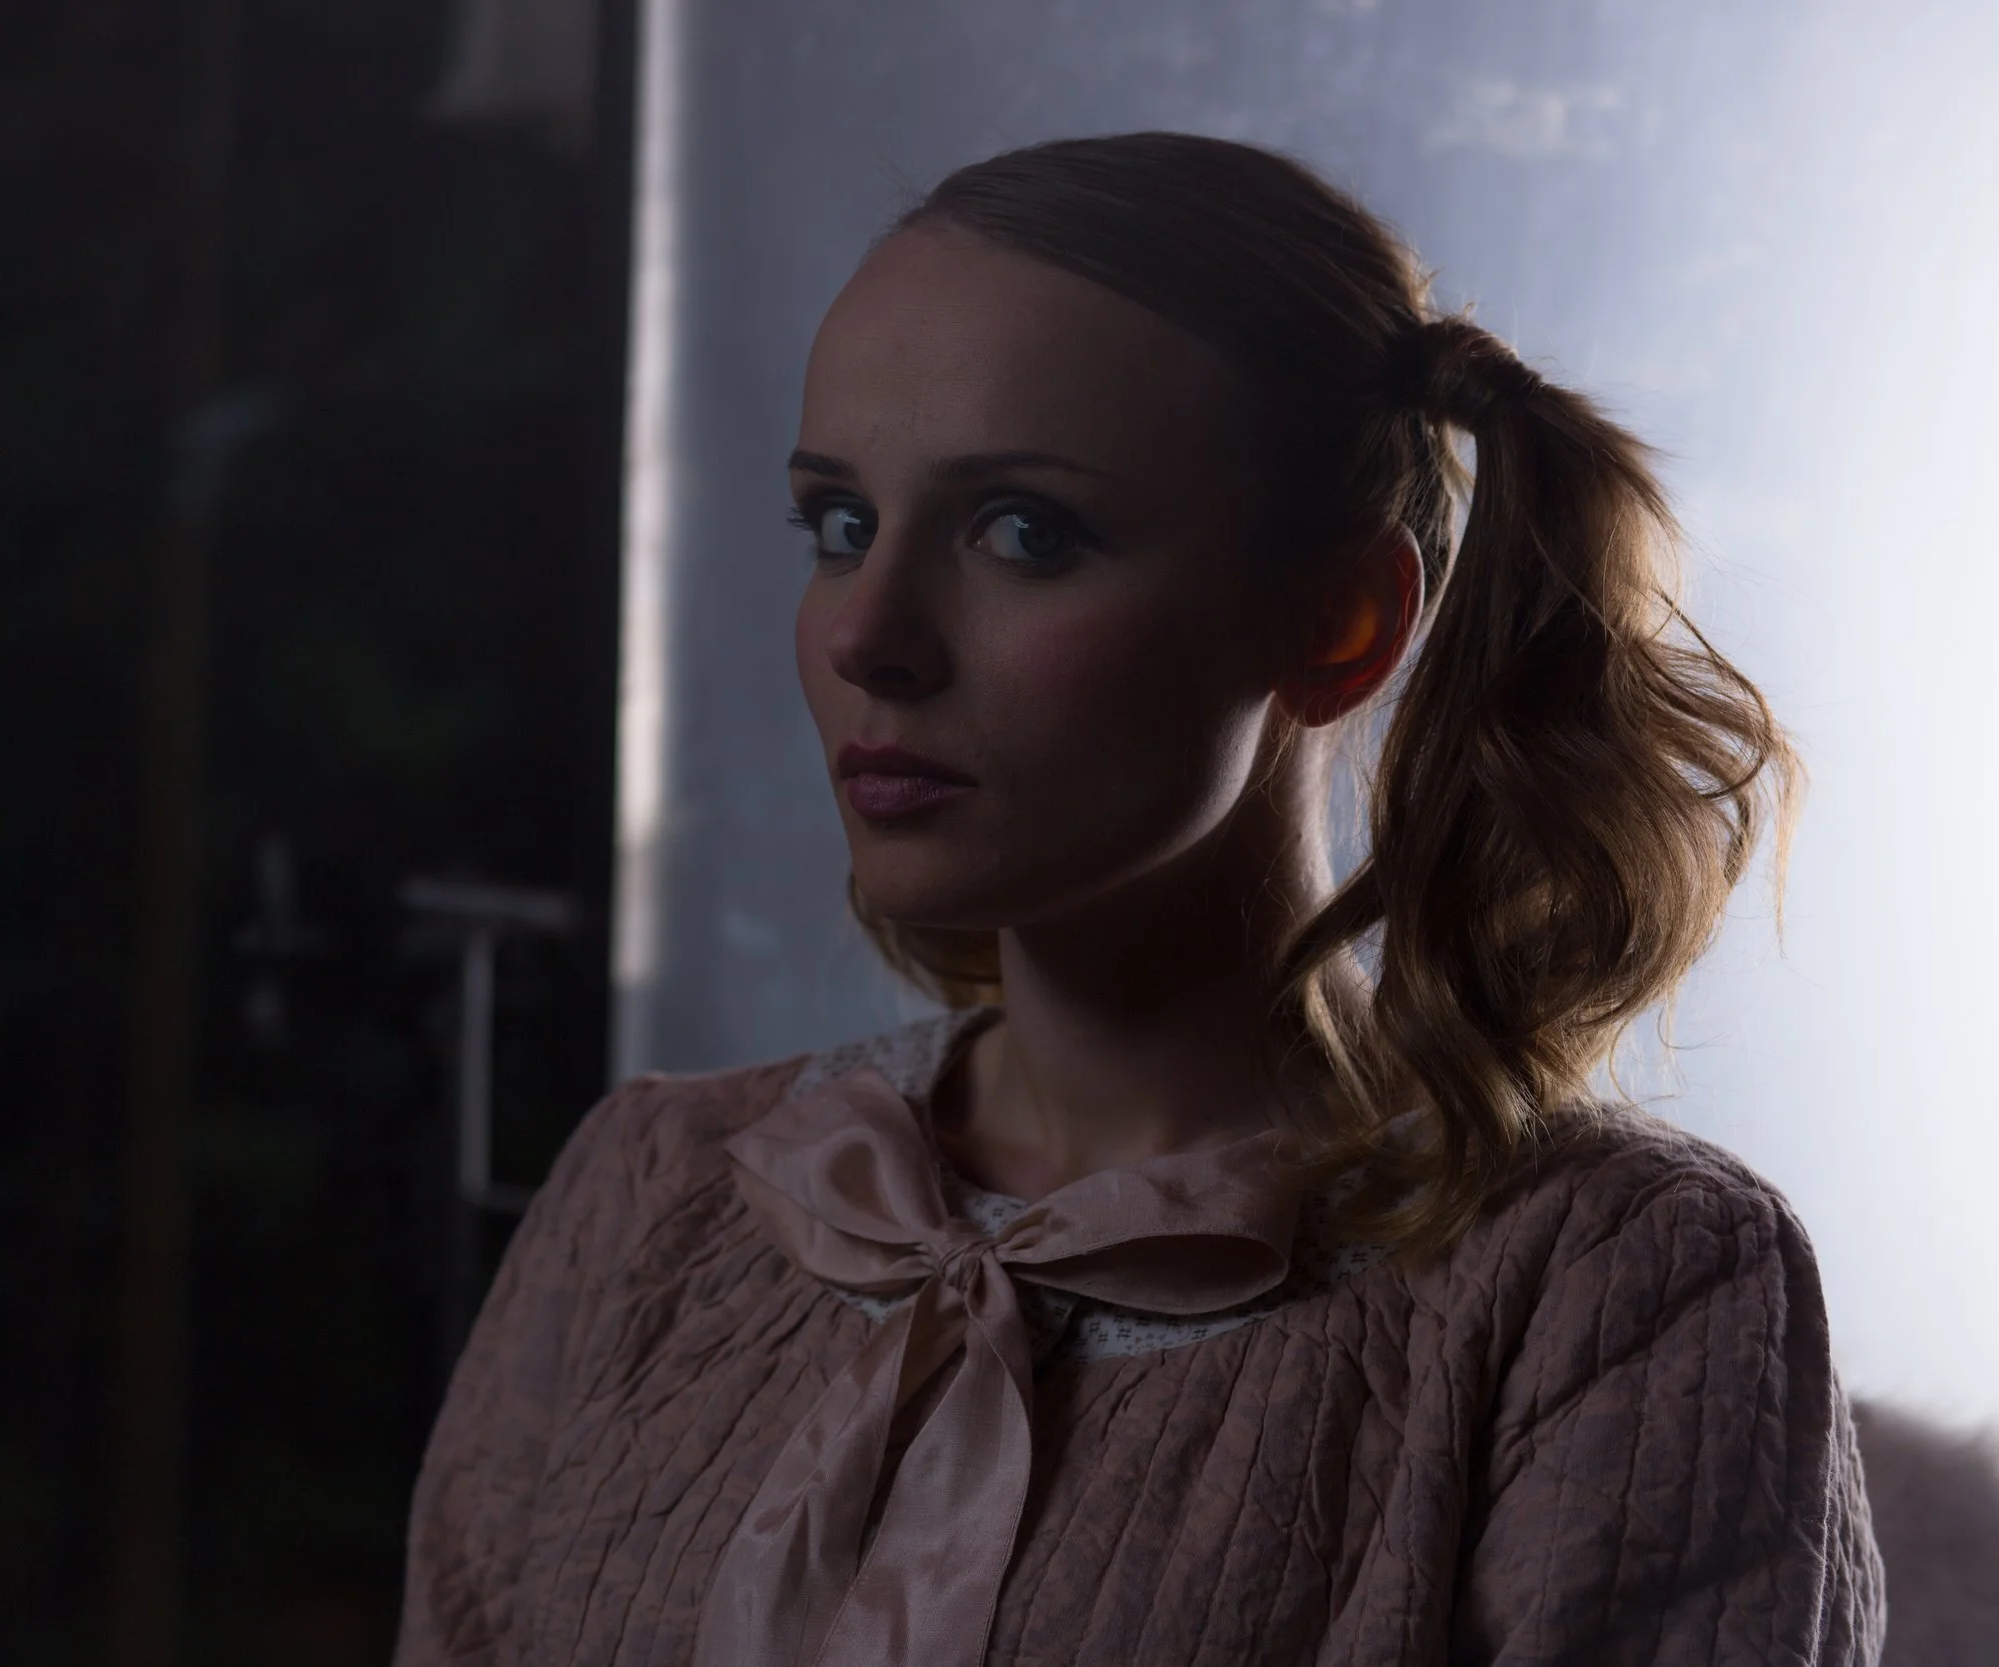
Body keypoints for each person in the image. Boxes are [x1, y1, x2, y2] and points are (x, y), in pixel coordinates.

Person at [394, 131, 1882, 1667]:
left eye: (1025, 531)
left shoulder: (1616, 1289)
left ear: (1344, 623)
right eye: (840, 523)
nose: (870, 637)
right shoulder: (654, 1191)